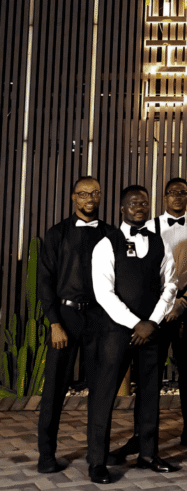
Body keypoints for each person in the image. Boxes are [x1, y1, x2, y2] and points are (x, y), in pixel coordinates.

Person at [87, 185, 177, 484]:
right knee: (104, 394)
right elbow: (103, 292)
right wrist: (134, 322)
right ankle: (97, 461)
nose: (140, 207)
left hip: (151, 330)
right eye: (133, 203)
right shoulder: (105, 243)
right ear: (122, 209)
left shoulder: (159, 243)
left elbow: (171, 285)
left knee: (150, 392)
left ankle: (148, 454)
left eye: (144, 203)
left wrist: (151, 321)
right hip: (116, 331)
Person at [37, 176, 116, 474]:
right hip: (66, 318)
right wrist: (54, 323)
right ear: (73, 197)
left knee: (101, 390)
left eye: (95, 193)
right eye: (83, 193)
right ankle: (46, 455)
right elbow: (45, 281)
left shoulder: (112, 234)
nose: (90, 199)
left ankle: (98, 461)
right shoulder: (57, 233)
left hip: (101, 318)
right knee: (54, 389)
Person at [148, 178, 187, 446]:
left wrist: (183, 301)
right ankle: (147, 432)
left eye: (182, 193)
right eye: (172, 192)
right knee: (150, 371)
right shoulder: (151, 226)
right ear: (164, 196)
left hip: (186, 307)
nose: (177, 197)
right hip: (156, 309)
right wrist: (164, 304)